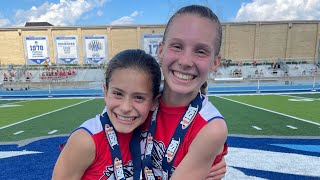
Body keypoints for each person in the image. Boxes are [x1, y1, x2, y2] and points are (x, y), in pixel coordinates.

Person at [140, 5, 227, 180]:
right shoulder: (138, 103)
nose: (186, 61)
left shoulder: (211, 128)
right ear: (161, 51)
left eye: (200, 51)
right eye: (177, 46)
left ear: (215, 63)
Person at [52, 49, 162, 179]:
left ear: (154, 102)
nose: (126, 107)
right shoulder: (85, 141)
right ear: (105, 92)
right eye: (118, 94)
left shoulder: (154, 130)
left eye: (138, 97)